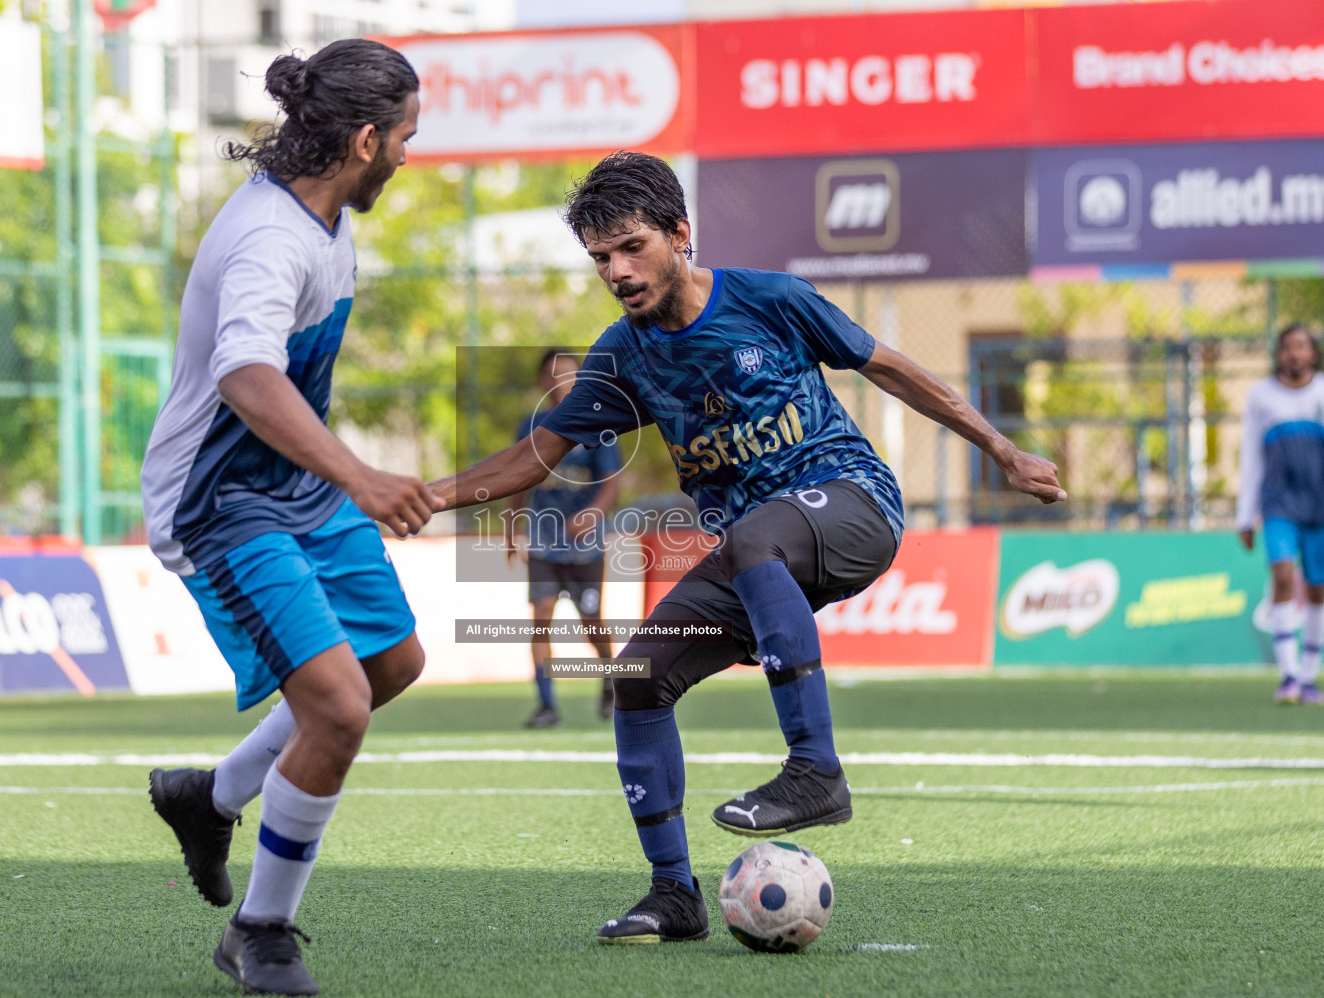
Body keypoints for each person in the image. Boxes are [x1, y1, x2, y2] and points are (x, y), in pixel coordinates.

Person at [428, 152, 1064, 944]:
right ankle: (673, 894)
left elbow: (895, 370)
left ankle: (816, 769)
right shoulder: (620, 356)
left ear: (680, 234)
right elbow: (533, 459)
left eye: (632, 247)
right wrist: (422, 494)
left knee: (757, 531)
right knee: (638, 677)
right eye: (601, 259)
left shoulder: (772, 298)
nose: (618, 272)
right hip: (757, 551)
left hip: (854, 503)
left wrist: (1003, 450)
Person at [137, 40, 441, 997]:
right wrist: (358, 474)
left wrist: (332, 477)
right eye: (404, 139)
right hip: (220, 502)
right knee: (338, 705)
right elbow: (245, 374)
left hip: (289, 487)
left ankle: (211, 797)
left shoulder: (324, 211)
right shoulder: (273, 238)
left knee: (392, 665)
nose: (408, 155)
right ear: (362, 139)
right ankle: (261, 928)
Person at [1237, 322, 1324, 706]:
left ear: (1313, 353)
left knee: (1318, 588)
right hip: (1278, 507)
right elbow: (1250, 456)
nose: (1294, 353)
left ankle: (1309, 677)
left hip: (1320, 508)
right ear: (1278, 353)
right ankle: (1288, 675)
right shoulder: (1261, 397)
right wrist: (1245, 515)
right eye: (1287, 347)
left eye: (1301, 346)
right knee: (1283, 576)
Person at [505, 349, 622, 726]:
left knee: (591, 620)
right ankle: (547, 705)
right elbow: (515, 477)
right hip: (542, 539)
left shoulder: (598, 422)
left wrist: (591, 513)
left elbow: (612, 482)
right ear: (543, 381)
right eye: (553, 375)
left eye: (569, 375)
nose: (561, 382)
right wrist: (511, 527)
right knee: (541, 617)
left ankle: (611, 680)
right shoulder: (529, 425)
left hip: (585, 546)